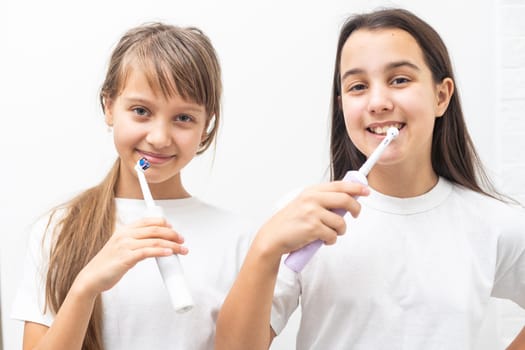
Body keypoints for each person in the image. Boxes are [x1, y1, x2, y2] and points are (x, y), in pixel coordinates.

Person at [215, 8, 525, 350]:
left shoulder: (491, 223)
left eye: (400, 80)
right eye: (358, 86)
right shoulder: (305, 214)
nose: (378, 102)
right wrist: (265, 248)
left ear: (441, 96)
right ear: (342, 104)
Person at [11, 23, 251, 350]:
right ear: (109, 107)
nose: (159, 138)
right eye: (141, 111)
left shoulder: (239, 239)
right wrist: (86, 286)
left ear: (206, 125)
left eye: (183, 118)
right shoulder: (58, 230)